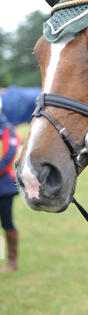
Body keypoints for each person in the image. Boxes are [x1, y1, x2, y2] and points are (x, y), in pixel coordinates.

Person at [0, 102, 20, 273]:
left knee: (6, 222)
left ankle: (12, 261)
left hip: (3, 185)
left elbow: (8, 155)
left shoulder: (7, 128)